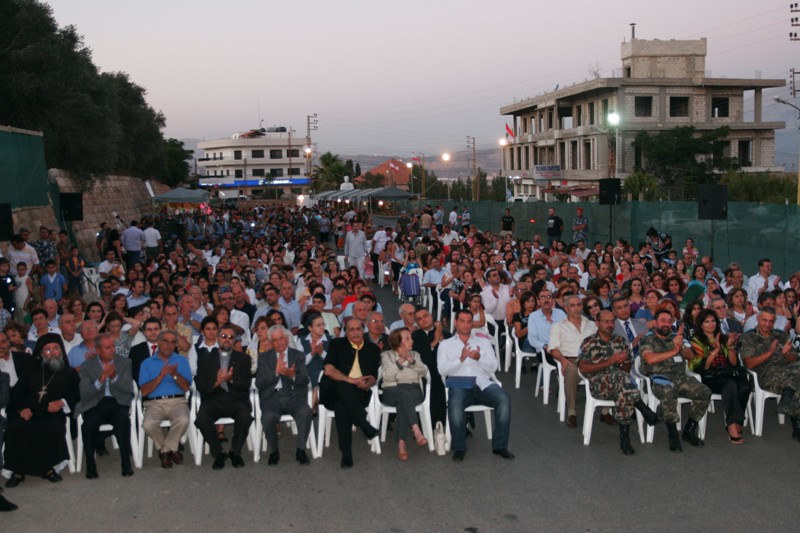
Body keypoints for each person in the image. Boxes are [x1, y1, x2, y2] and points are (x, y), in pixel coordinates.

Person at [579, 310, 663, 454]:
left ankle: (625, 438)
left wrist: (622, 362)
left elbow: (626, 368)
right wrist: (609, 362)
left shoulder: (620, 340)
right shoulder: (589, 342)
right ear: (597, 323)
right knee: (621, 379)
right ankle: (644, 410)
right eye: (606, 321)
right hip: (598, 385)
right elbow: (582, 367)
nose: (610, 325)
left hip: (621, 385)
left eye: (612, 321)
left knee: (622, 385)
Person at [4, 334, 80, 487]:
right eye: (48, 350)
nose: (52, 352)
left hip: (52, 412)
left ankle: (48, 469)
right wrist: (22, 408)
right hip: (29, 411)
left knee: (51, 426)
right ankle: (18, 471)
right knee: (15, 426)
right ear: (40, 353)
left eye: (56, 348)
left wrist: (61, 402)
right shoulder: (30, 371)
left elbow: (76, 395)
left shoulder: (69, 373)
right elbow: (18, 394)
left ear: (61, 351)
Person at [438, 309, 513, 461]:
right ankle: (459, 447)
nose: (466, 325)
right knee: (455, 402)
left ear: (472, 323)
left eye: (468, 321)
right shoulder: (445, 345)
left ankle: (500, 446)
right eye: (462, 321)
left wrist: (479, 358)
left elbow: (493, 367)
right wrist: (460, 358)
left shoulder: (483, 342)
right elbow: (442, 370)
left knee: (504, 398)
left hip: (482, 383)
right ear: (455, 322)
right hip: (459, 384)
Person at [639, 309, 711, 452]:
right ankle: (673, 435)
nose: (666, 324)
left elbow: (691, 355)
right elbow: (649, 358)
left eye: (669, 320)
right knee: (668, 392)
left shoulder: (676, 337)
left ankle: (689, 430)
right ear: (656, 323)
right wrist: (674, 349)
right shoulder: (648, 339)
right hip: (659, 379)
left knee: (704, 391)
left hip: (680, 377)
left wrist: (682, 347)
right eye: (662, 320)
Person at [320, 317, 380, 469]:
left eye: (358, 329)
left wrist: (367, 383)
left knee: (342, 407)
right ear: (345, 333)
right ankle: (364, 424)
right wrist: (351, 381)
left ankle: (346, 454)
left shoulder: (372, 349)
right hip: (333, 390)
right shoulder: (336, 344)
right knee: (343, 386)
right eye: (351, 330)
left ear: (363, 330)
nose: (355, 333)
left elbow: (373, 376)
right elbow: (328, 370)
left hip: (360, 392)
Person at [74, 333, 135, 478]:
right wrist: (100, 381)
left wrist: (113, 377)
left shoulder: (124, 362)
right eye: (108, 347)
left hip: (117, 401)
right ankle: (90, 465)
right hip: (95, 402)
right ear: (98, 350)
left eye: (113, 346)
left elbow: (128, 388)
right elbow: (84, 394)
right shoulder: (87, 366)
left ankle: (126, 463)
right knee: (88, 425)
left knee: (122, 420)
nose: (112, 350)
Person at [194, 324, 253, 469]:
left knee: (245, 416)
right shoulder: (205, 360)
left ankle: (235, 452)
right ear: (218, 339)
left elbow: (246, 384)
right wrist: (217, 382)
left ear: (235, 341)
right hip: (214, 399)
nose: (227, 340)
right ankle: (218, 453)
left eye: (231, 337)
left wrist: (230, 380)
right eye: (224, 336)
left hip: (236, 399)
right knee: (201, 419)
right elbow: (201, 387)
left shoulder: (244, 359)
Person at [688, 309, 750, 444]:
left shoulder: (723, 338)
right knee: (730, 384)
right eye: (707, 321)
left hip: (726, 372)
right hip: (709, 376)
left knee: (745, 386)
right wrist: (715, 350)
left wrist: (730, 347)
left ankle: (737, 421)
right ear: (700, 325)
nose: (711, 324)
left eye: (713, 321)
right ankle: (732, 425)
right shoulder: (697, 341)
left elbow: (733, 363)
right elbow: (702, 367)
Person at [740, 307, 800, 442]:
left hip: (787, 371)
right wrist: (770, 353)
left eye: (770, 321)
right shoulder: (749, 337)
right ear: (758, 319)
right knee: (797, 384)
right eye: (764, 320)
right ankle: (796, 426)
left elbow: (795, 359)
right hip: (764, 374)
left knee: (796, 370)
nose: (767, 324)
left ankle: (787, 396)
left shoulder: (781, 335)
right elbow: (749, 364)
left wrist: (787, 354)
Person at [256, 324, 313, 466]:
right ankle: (274, 451)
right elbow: (259, 383)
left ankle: (301, 449)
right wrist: (275, 373)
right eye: (275, 340)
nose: (279, 342)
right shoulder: (264, 358)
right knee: (268, 417)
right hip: (272, 397)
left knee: (305, 412)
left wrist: (292, 375)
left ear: (287, 338)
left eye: (281, 338)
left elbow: (305, 381)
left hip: (294, 396)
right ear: (270, 342)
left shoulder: (298, 355)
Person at [139, 329, 192, 469]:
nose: (169, 345)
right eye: (165, 341)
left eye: (173, 342)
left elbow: (186, 387)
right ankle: (172, 449)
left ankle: (165, 451)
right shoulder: (147, 363)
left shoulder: (181, 361)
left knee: (183, 420)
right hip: (154, 403)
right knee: (148, 424)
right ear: (158, 342)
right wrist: (160, 377)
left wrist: (175, 375)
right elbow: (144, 391)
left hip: (178, 401)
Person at [380, 328, 428, 461]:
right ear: (399, 342)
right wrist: (400, 361)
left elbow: (423, 372)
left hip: (413, 389)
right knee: (403, 395)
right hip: (392, 390)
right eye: (408, 338)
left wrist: (412, 362)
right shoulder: (386, 355)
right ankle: (416, 430)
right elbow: (387, 376)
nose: (412, 340)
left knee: (404, 399)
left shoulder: (415, 355)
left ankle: (401, 444)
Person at [549, 295, 597, 428]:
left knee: (607, 368)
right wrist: (563, 361)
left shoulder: (592, 325)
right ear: (566, 308)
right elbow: (553, 349)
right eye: (572, 305)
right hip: (571, 361)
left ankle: (605, 411)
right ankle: (572, 413)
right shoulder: (558, 326)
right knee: (570, 371)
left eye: (579, 305)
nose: (576, 308)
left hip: (591, 361)